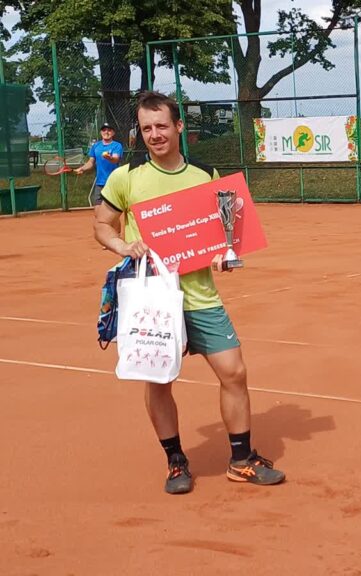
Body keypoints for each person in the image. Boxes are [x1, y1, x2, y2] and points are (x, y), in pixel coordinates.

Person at [93, 91, 285, 495]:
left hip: (200, 295)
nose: (154, 135)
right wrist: (125, 246)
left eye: (162, 125)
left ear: (179, 126)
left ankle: (241, 460)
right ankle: (176, 461)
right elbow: (102, 225)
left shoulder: (205, 175)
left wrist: (224, 254)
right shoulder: (125, 176)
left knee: (234, 371)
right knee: (158, 381)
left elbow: (227, 238)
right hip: (151, 299)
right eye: (146, 128)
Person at [76, 122, 123, 207]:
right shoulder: (96, 146)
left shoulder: (117, 145)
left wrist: (109, 158)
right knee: (98, 210)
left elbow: (115, 160)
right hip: (99, 183)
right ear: (101, 133)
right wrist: (82, 168)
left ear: (113, 133)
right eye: (104, 130)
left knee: (111, 214)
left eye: (109, 130)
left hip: (113, 183)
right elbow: (91, 162)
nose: (106, 132)